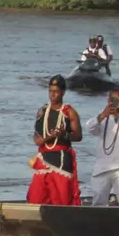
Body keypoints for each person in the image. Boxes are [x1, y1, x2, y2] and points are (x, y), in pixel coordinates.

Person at [28, 75, 82, 205]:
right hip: (44, 157)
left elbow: (78, 136)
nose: (53, 95)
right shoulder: (42, 111)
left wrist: (64, 135)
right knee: (36, 196)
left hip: (62, 159)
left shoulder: (69, 112)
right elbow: (36, 133)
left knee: (62, 197)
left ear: (62, 92)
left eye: (56, 91)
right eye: (50, 91)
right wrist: (41, 138)